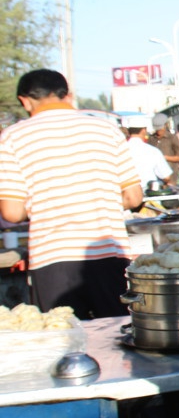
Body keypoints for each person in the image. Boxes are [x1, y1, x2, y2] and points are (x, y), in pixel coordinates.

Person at [0, 69, 142, 317]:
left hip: (52, 257)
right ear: (68, 95)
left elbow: (12, 212)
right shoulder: (107, 130)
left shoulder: (12, 137)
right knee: (117, 337)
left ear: (25, 100)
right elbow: (133, 198)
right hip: (110, 252)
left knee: (64, 341)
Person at [125, 120, 176, 190]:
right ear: (144, 130)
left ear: (128, 131)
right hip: (149, 193)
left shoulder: (120, 150)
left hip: (126, 194)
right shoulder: (152, 151)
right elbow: (166, 176)